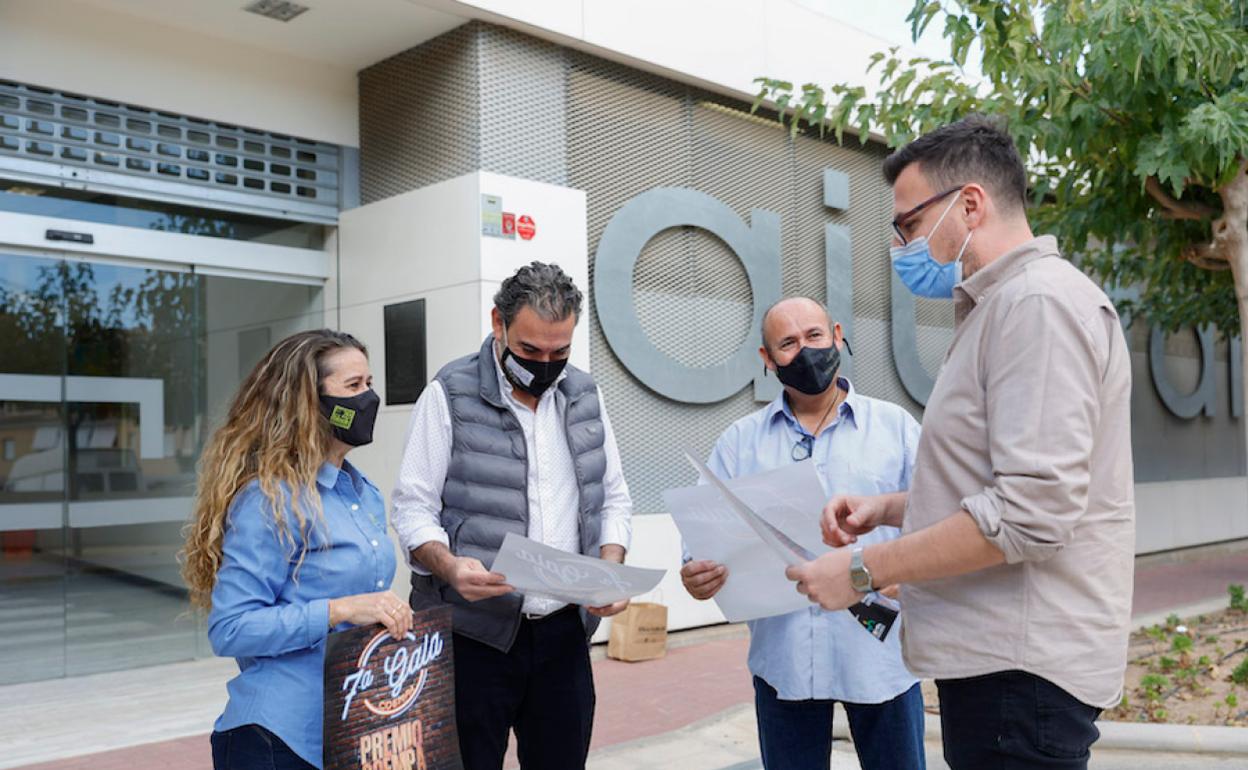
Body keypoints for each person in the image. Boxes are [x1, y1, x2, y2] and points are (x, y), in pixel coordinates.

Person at [786, 116, 1135, 770]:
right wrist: (889, 509)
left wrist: (863, 569)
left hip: (1021, 677)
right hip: (1004, 673)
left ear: (970, 204)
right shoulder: (1002, 308)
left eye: (909, 225)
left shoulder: (1035, 306)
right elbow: (998, 480)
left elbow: (1031, 513)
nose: (900, 246)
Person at [392, 261, 634, 770]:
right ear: (498, 324)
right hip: (471, 637)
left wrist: (610, 567)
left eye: (559, 352)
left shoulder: (585, 395)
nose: (545, 363)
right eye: (529, 350)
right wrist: (451, 567)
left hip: (564, 636)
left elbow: (612, 496)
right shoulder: (449, 393)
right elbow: (412, 508)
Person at [680, 296, 925, 770]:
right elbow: (702, 542)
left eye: (814, 336)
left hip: (881, 659)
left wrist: (910, 574)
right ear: (767, 360)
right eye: (787, 344)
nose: (805, 351)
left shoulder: (895, 428)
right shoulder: (738, 443)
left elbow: (933, 518)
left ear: (837, 335)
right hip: (785, 660)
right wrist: (696, 574)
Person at [182, 329, 413, 770]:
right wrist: (339, 610)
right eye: (353, 387)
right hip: (277, 739)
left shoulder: (362, 493)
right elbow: (231, 628)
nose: (369, 398)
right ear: (311, 402)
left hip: (346, 728)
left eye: (369, 383)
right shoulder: (269, 501)